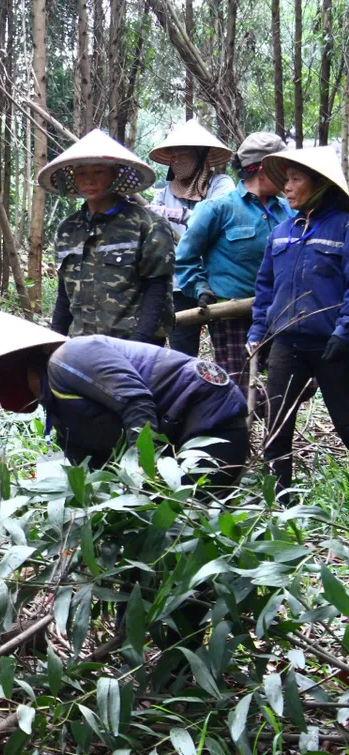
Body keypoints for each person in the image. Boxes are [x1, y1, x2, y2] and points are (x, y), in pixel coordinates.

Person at [0, 310, 250, 493]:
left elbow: (137, 404)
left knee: (185, 525)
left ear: (9, 371)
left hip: (210, 422)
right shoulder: (60, 414)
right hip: (176, 438)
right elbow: (81, 467)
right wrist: (7, 481)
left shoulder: (70, 357)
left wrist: (140, 468)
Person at [247, 146, 349, 495]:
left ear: (319, 184)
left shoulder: (344, 226)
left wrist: (344, 330)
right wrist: (259, 334)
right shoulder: (282, 232)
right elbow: (265, 288)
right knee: (277, 426)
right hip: (287, 344)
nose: (286, 187)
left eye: (295, 179)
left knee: (346, 423)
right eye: (286, 179)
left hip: (332, 345)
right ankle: (278, 501)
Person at [173, 133, 292, 397]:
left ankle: (247, 413)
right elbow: (186, 257)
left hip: (282, 312)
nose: (288, 175)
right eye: (283, 168)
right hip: (232, 314)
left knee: (296, 382)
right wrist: (200, 288)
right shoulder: (218, 208)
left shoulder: (290, 210)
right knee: (239, 387)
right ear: (263, 168)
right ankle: (234, 422)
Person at [37, 129, 176, 343]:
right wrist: (52, 343)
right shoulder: (68, 229)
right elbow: (65, 295)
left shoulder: (148, 225)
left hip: (133, 345)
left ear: (116, 174)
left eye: (98, 172)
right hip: (81, 345)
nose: (89, 180)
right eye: (81, 173)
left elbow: (156, 290)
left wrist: (139, 345)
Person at [146, 119, 236, 357]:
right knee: (183, 354)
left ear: (199, 156)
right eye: (172, 158)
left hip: (217, 280)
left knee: (229, 354)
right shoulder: (165, 193)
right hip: (180, 283)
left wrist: (174, 214)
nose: (176, 162)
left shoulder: (221, 184)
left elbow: (220, 214)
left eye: (182, 156)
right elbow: (152, 222)